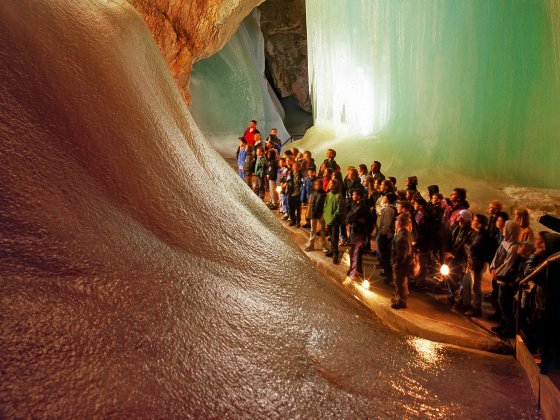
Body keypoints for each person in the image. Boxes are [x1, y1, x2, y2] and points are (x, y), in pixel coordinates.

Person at [490, 220, 521, 337]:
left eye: (505, 228)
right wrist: (493, 267)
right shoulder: (505, 241)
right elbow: (497, 255)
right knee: (500, 301)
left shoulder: (514, 247)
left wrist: (497, 272)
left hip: (505, 279)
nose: (503, 229)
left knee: (504, 302)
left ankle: (509, 328)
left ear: (510, 231)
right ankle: (502, 324)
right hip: (498, 276)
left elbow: (508, 264)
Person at [464, 214, 493, 317]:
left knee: (476, 286)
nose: (472, 221)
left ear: (480, 224)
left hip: (476, 264)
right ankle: (467, 303)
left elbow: (472, 250)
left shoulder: (482, 235)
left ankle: (476, 308)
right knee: (468, 283)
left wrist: (467, 246)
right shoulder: (474, 232)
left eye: (475, 220)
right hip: (471, 262)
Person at [444, 209, 473, 305]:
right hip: (453, 256)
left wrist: (454, 254)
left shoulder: (469, 232)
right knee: (450, 275)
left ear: (464, 218)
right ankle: (452, 294)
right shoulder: (456, 227)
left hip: (460, 258)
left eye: (459, 215)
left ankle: (460, 297)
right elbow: (452, 241)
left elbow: (464, 247)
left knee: (460, 279)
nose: (457, 216)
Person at [345, 188, 370, 280]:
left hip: (359, 233)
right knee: (356, 252)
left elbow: (352, 216)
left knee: (355, 252)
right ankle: (358, 270)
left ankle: (353, 272)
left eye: (354, 195)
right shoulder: (355, 204)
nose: (352, 196)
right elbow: (350, 215)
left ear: (359, 196)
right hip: (355, 231)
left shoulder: (362, 206)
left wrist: (349, 220)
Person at [391, 214, 414, 309]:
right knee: (401, 281)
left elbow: (402, 253)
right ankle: (399, 298)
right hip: (403, 263)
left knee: (400, 282)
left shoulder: (402, 236)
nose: (395, 223)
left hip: (401, 263)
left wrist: (396, 262)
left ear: (400, 223)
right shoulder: (404, 233)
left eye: (397, 221)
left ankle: (401, 301)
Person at [411, 196, 432, 289]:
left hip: (422, 244)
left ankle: (420, 282)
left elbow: (425, 233)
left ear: (421, 206)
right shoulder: (416, 214)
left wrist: (417, 240)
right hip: (416, 242)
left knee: (422, 263)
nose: (414, 205)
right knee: (416, 262)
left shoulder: (426, 218)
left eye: (416, 204)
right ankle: (416, 279)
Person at [376, 192, 397, 281]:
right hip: (385, 234)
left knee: (385, 255)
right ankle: (387, 273)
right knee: (385, 255)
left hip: (385, 235)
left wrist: (382, 232)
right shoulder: (388, 209)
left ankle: (389, 276)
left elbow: (387, 224)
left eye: (385, 197)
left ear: (388, 199)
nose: (383, 198)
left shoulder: (388, 210)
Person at [323, 179, 343, 264]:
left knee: (335, 237)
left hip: (335, 220)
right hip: (329, 219)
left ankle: (335, 253)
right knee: (331, 236)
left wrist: (333, 217)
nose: (330, 185)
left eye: (332, 184)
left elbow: (339, 209)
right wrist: (326, 217)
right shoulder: (328, 194)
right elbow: (325, 206)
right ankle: (332, 250)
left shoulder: (339, 196)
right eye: (330, 183)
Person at [304, 179, 327, 252]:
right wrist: (308, 213)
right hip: (313, 213)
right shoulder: (313, 193)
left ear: (321, 185)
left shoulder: (324, 194)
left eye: (318, 184)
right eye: (316, 184)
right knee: (312, 230)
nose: (317, 186)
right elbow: (310, 204)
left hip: (321, 214)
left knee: (322, 230)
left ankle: (324, 245)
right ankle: (311, 245)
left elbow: (325, 205)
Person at [285, 161, 303, 227]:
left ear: (299, 167)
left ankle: (298, 221)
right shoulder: (289, 173)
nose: (295, 167)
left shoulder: (301, 175)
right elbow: (287, 181)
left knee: (298, 209)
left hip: (298, 194)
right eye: (294, 166)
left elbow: (302, 183)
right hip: (290, 193)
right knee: (291, 208)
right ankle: (293, 220)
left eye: (297, 166)